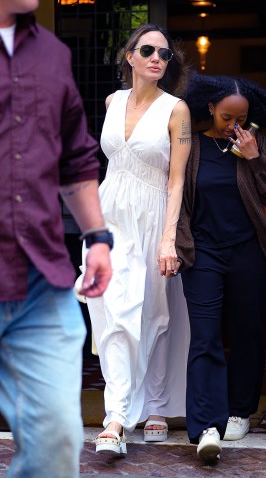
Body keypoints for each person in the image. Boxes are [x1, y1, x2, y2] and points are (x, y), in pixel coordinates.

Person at [0, 0, 113, 477]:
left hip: (39, 279)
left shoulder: (52, 53)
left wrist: (98, 238)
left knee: (57, 440)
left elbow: (75, 156)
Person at [175, 73, 266, 462]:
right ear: (210, 107)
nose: (234, 126)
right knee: (205, 336)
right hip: (203, 253)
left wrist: (255, 158)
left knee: (248, 331)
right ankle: (206, 424)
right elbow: (175, 197)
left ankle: (240, 410)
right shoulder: (190, 145)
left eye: (241, 119)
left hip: (249, 252)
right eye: (227, 117)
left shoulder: (254, 143)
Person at [82, 23, 191, 454]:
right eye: (148, 50)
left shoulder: (176, 109)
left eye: (165, 55)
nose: (157, 59)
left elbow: (177, 180)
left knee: (154, 316)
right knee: (112, 314)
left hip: (151, 217)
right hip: (109, 218)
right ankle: (116, 419)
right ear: (129, 56)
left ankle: (158, 404)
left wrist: (168, 239)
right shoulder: (113, 101)